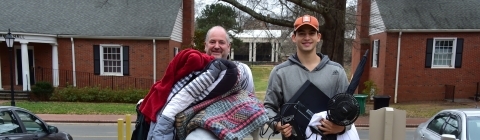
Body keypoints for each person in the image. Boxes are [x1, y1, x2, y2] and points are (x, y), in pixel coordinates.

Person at [263, 15, 352, 139]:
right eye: (301, 33)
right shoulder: (280, 72)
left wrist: (341, 127)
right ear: (294, 37)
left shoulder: (336, 71)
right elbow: (268, 107)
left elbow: (349, 108)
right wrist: (278, 125)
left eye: (311, 33)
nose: (307, 38)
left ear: (318, 37)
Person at [184, 26, 260, 140]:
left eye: (221, 42)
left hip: (233, 131)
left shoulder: (243, 72)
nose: (216, 46)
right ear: (205, 45)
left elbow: (250, 106)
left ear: (229, 47)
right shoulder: (193, 72)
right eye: (212, 42)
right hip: (199, 129)